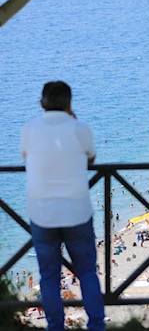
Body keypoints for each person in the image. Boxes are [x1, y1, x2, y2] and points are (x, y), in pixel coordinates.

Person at [21, 82, 106, 331]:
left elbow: (26, 157)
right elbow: (91, 157)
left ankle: (55, 327)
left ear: (42, 103)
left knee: (49, 277)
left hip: (42, 213)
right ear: (70, 104)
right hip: (77, 212)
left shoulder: (29, 129)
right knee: (87, 273)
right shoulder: (80, 128)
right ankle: (97, 326)